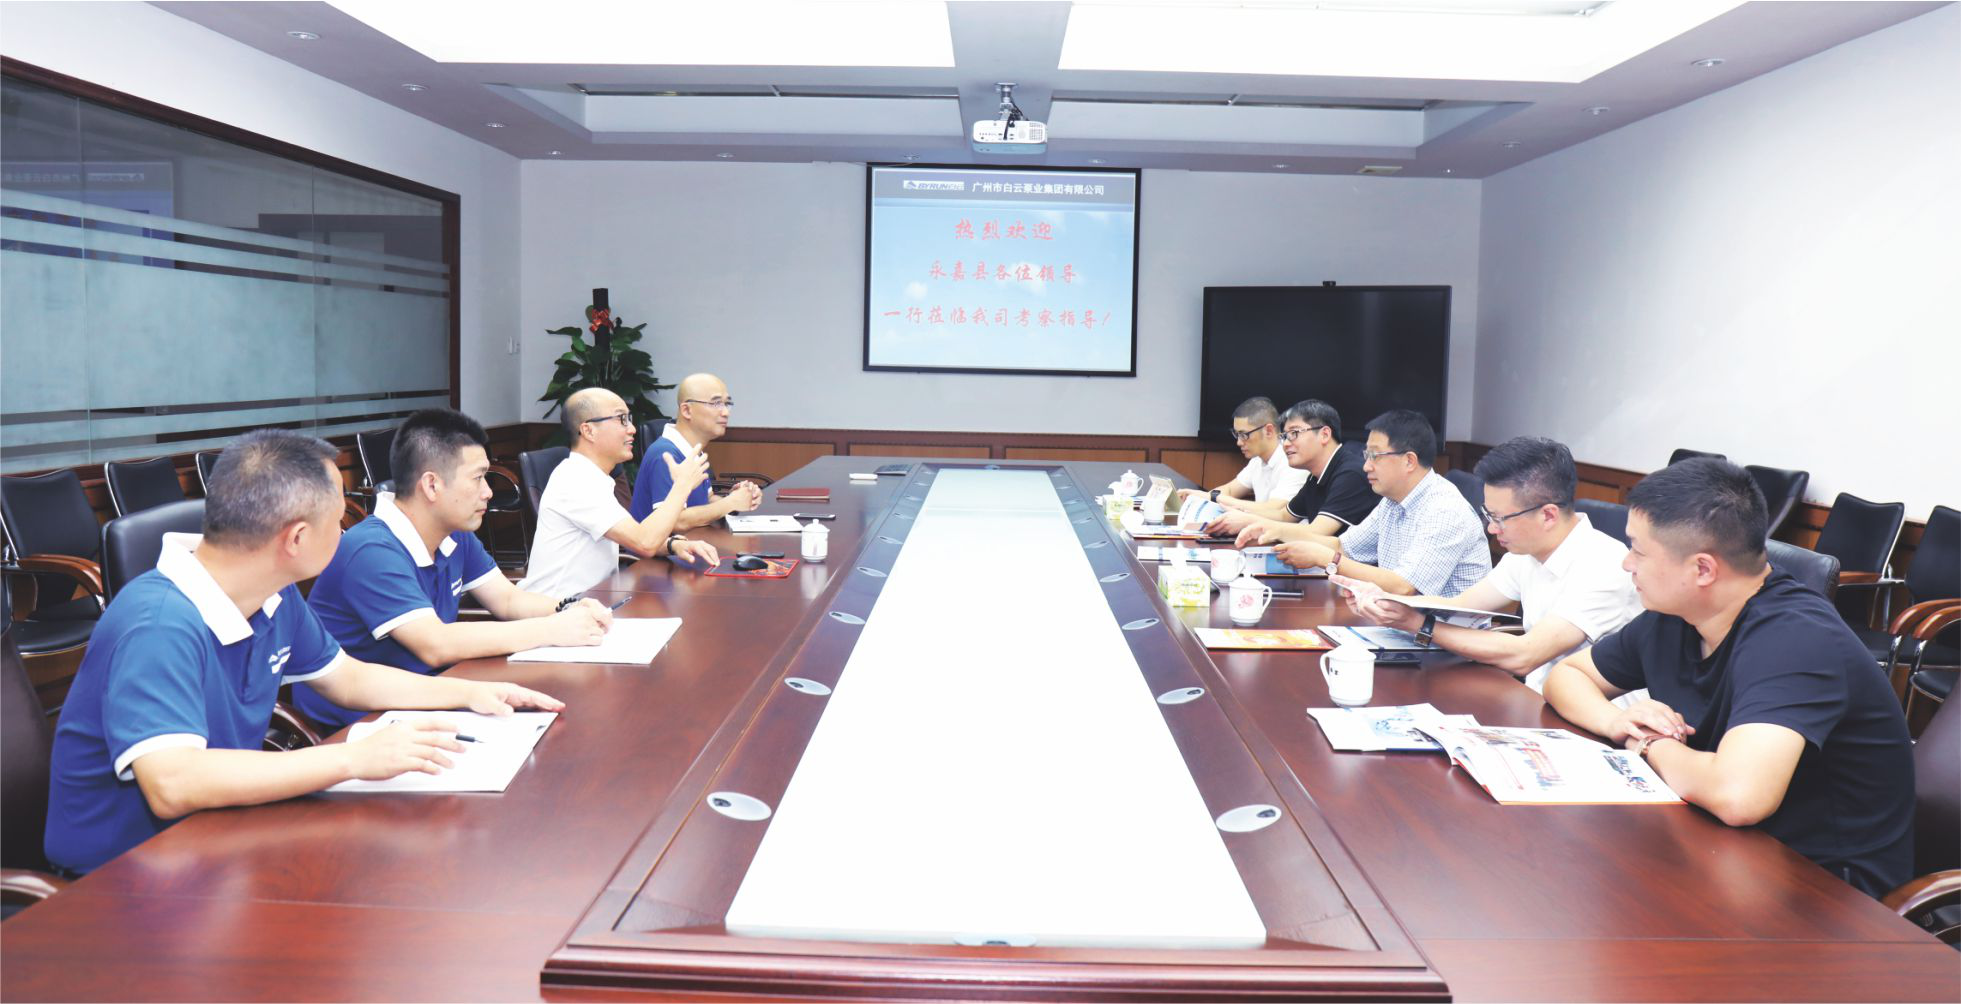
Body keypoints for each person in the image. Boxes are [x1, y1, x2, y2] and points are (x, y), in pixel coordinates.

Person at [43, 430, 565, 874]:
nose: (345, 532)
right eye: (337, 521)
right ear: (295, 539)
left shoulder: (272, 594)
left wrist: (470, 694)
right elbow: (174, 783)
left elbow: (349, 678)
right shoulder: (158, 624)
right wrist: (353, 759)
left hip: (219, 836)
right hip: (122, 875)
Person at [1543, 459, 1912, 898]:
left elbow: (1739, 796)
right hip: (1723, 849)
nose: (1627, 564)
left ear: (1702, 570)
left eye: (1638, 551)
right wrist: (1616, 721)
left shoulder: (1796, 639)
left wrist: (1647, 744)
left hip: (1828, 893)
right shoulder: (1679, 614)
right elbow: (1567, 675)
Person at [296, 409, 616, 732]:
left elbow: (508, 600)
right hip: (360, 721)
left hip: (430, 692)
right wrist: (552, 629)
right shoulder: (370, 550)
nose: (488, 491)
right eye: (478, 478)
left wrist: (568, 607)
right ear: (432, 485)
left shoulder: (453, 532)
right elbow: (436, 644)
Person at [1340, 437, 1641, 690]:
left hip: (1598, 724)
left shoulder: (1604, 565)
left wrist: (1419, 624)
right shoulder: (1525, 553)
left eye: (1499, 518)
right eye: (1488, 514)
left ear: (1548, 515)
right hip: (1538, 701)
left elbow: (1525, 654)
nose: (1492, 529)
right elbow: (1461, 605)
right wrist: (1385, 599)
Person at [1241, 409, 1489, 596]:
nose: (1366, 466)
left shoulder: (1444, 510)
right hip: (1396, 623)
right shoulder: (1392, 501)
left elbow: (1405, 586)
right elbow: (1343, 546)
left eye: (1375, 456)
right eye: (1366, 455)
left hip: (1442, 639)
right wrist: (1275, 531)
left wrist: (1327, 559)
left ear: (1409, 461)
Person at [520, 387, 720, 597]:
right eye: (622, 419)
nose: (632, 429)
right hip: (560, 608)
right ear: (589, 431)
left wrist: (673, 544)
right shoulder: (577, 481)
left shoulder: (593, 476)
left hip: (594, 600)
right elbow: (644, 542)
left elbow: (631, 534)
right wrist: (682, 487)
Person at [1208, 399, 1376, 540]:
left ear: (1324, 434)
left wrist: (1249, 522)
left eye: (1294, 433)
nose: (1286, 444)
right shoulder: (1315, 476)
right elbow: (1284, 516)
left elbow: (1316, 532)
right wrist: (1242, 515)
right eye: (1285, 436)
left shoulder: (1350, 474)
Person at [630, 373, 762, 528]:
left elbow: (707, 500)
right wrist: (729, 503)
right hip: (664, 544)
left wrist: (738, 498)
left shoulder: (691, 449)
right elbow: (675, 522)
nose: (726, 412)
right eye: (716, 403)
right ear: (687, 410)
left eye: (727, 404)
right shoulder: (665, 455)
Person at [1176, 397, 1307, 512]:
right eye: (1237, 434)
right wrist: (1197, 497)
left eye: (1244, 435)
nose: (1239, 442)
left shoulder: (1293, 461)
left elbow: (1272, 509)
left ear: (1268, 431)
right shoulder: (1257, 460)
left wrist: (1215, 498)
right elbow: (1230, 490)